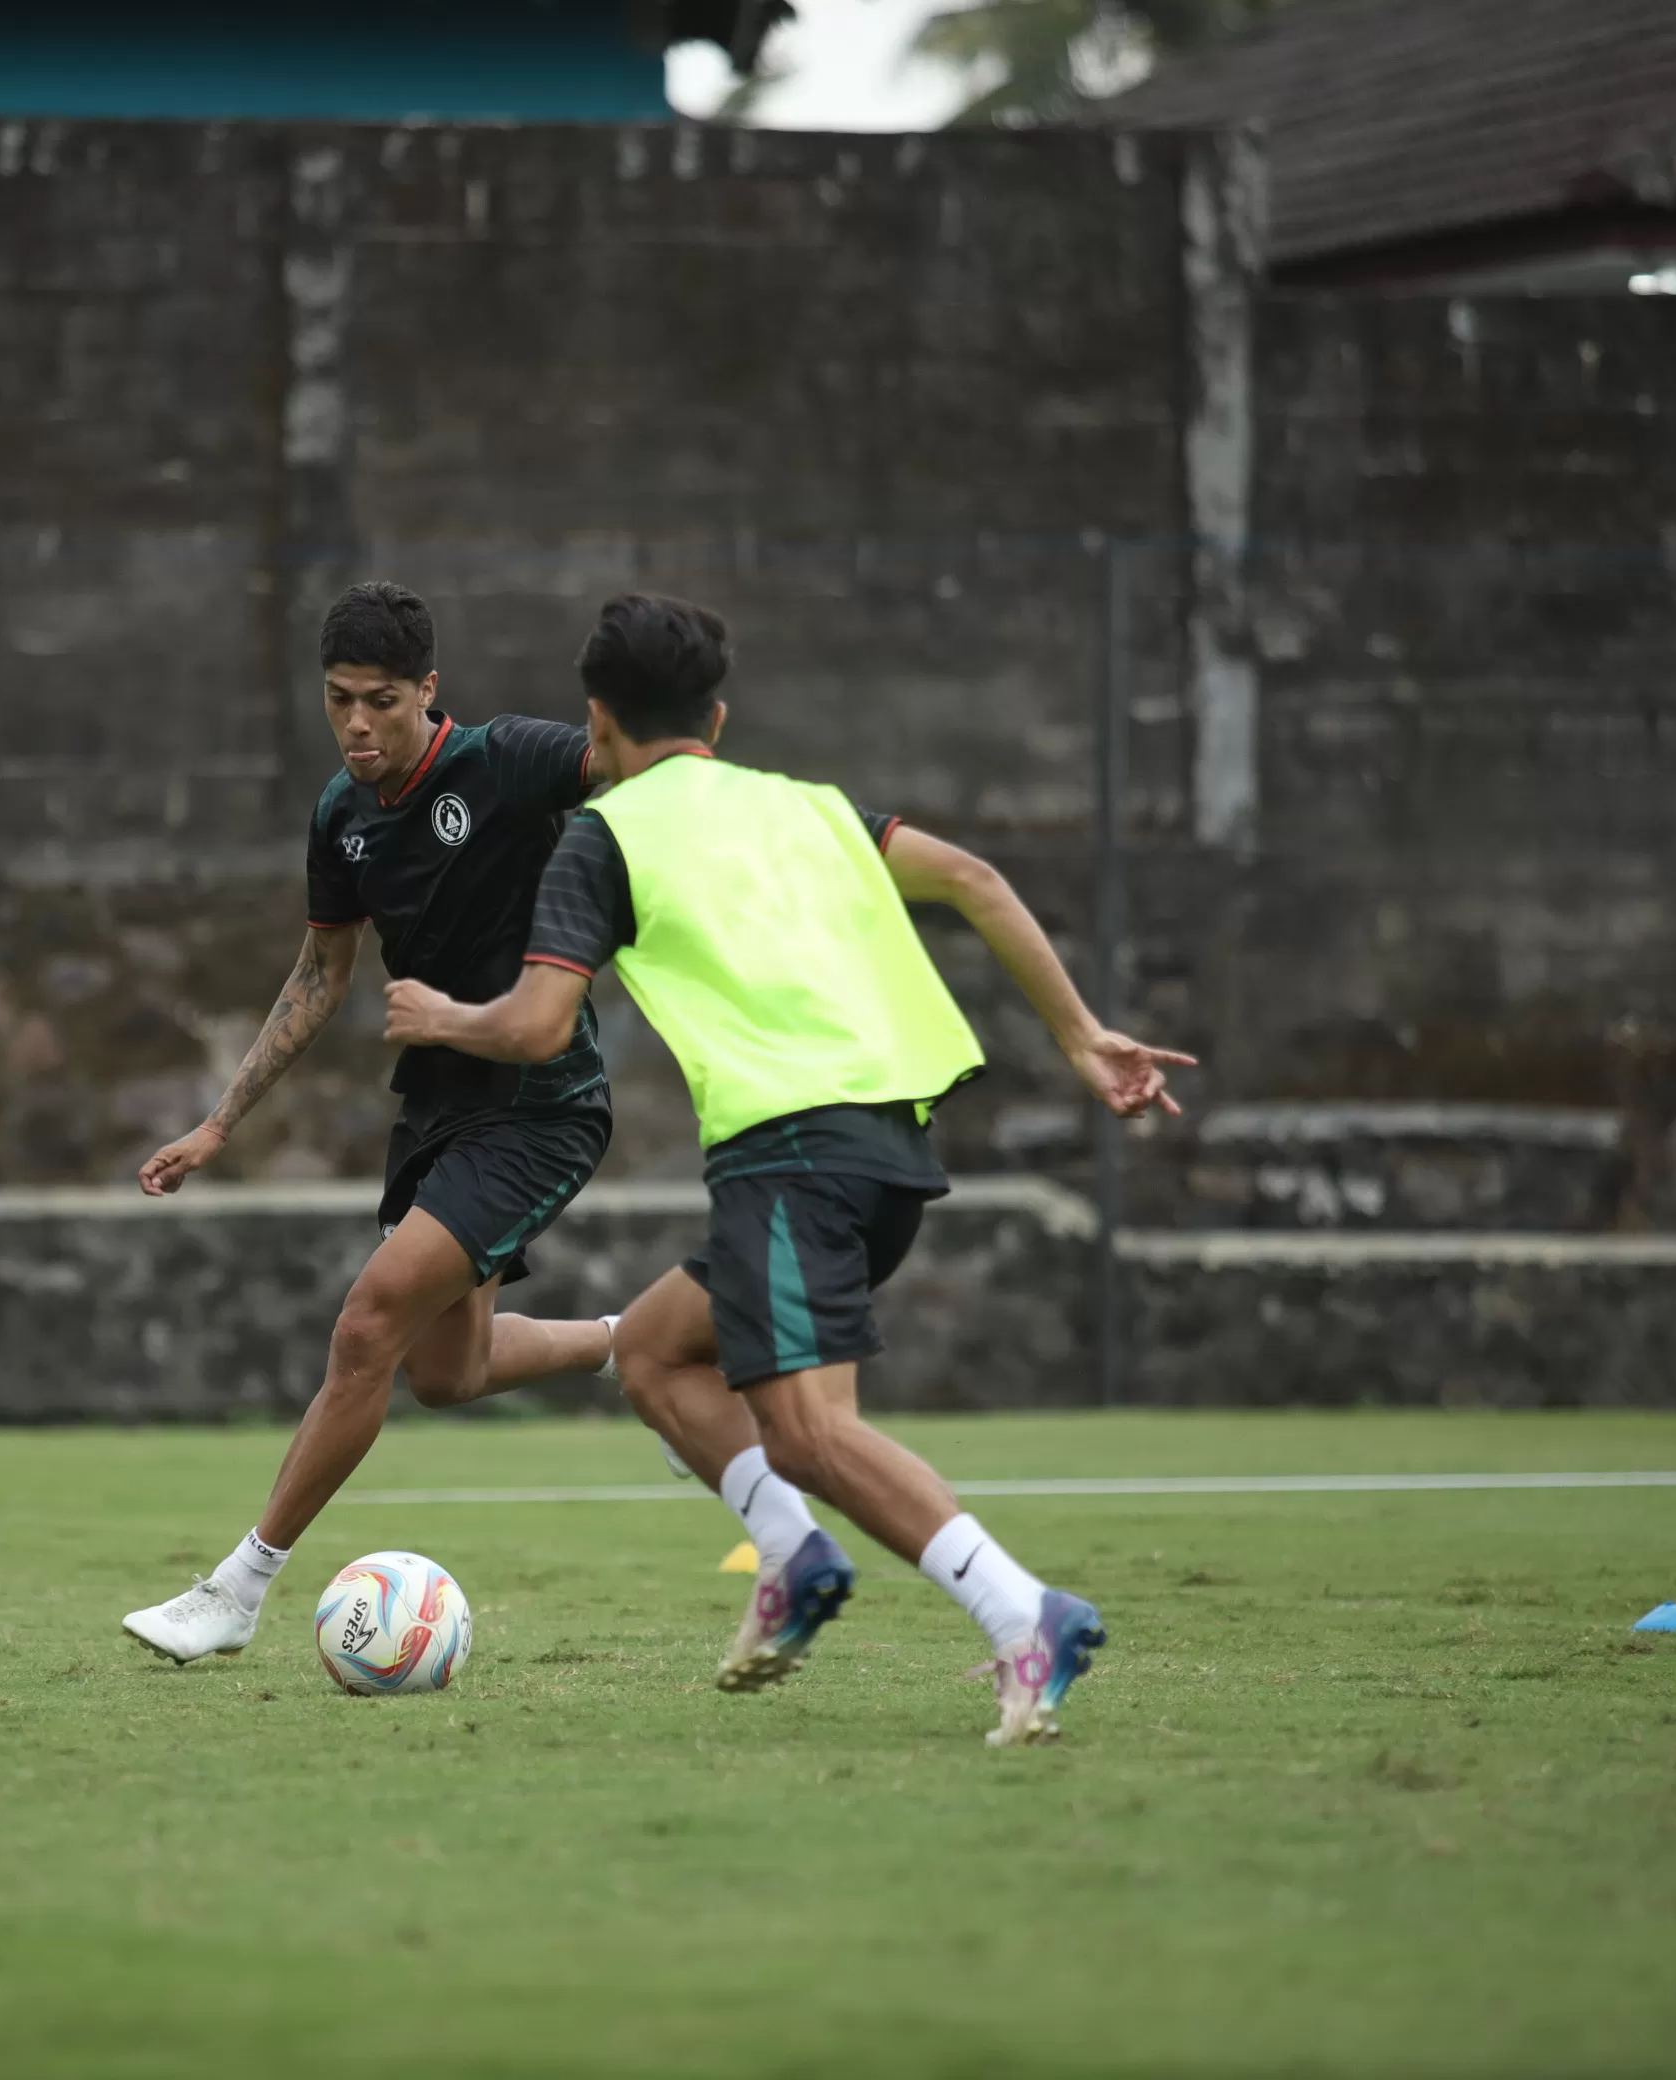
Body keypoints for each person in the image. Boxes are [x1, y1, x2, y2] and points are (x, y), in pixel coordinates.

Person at [384, 595, 1194, 1743]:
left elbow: (532, 1026)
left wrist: (437, 1015)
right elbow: (975, 878)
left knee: (810, 1433)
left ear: (597, 721)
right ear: (715, 715)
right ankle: (796, 1559)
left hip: (789, 1149)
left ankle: (1030, 1615)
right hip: (892, 1141)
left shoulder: (604, 834)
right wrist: (1079, 1035)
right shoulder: (808, 807)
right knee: (660, 1353)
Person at [120, 582, 837, 1663]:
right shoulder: (340, 815)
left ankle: (238, 1588)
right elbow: (320, 973)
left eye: (382, 701)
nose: (358, 724)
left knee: (367, 1322)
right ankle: (644, 1344)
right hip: (442, 1108)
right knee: (443, 1375)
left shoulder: (503, 761)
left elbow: (642, 766)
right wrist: (221, 1122)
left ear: (427, 692)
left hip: (540, 1106)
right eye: (338, 700)